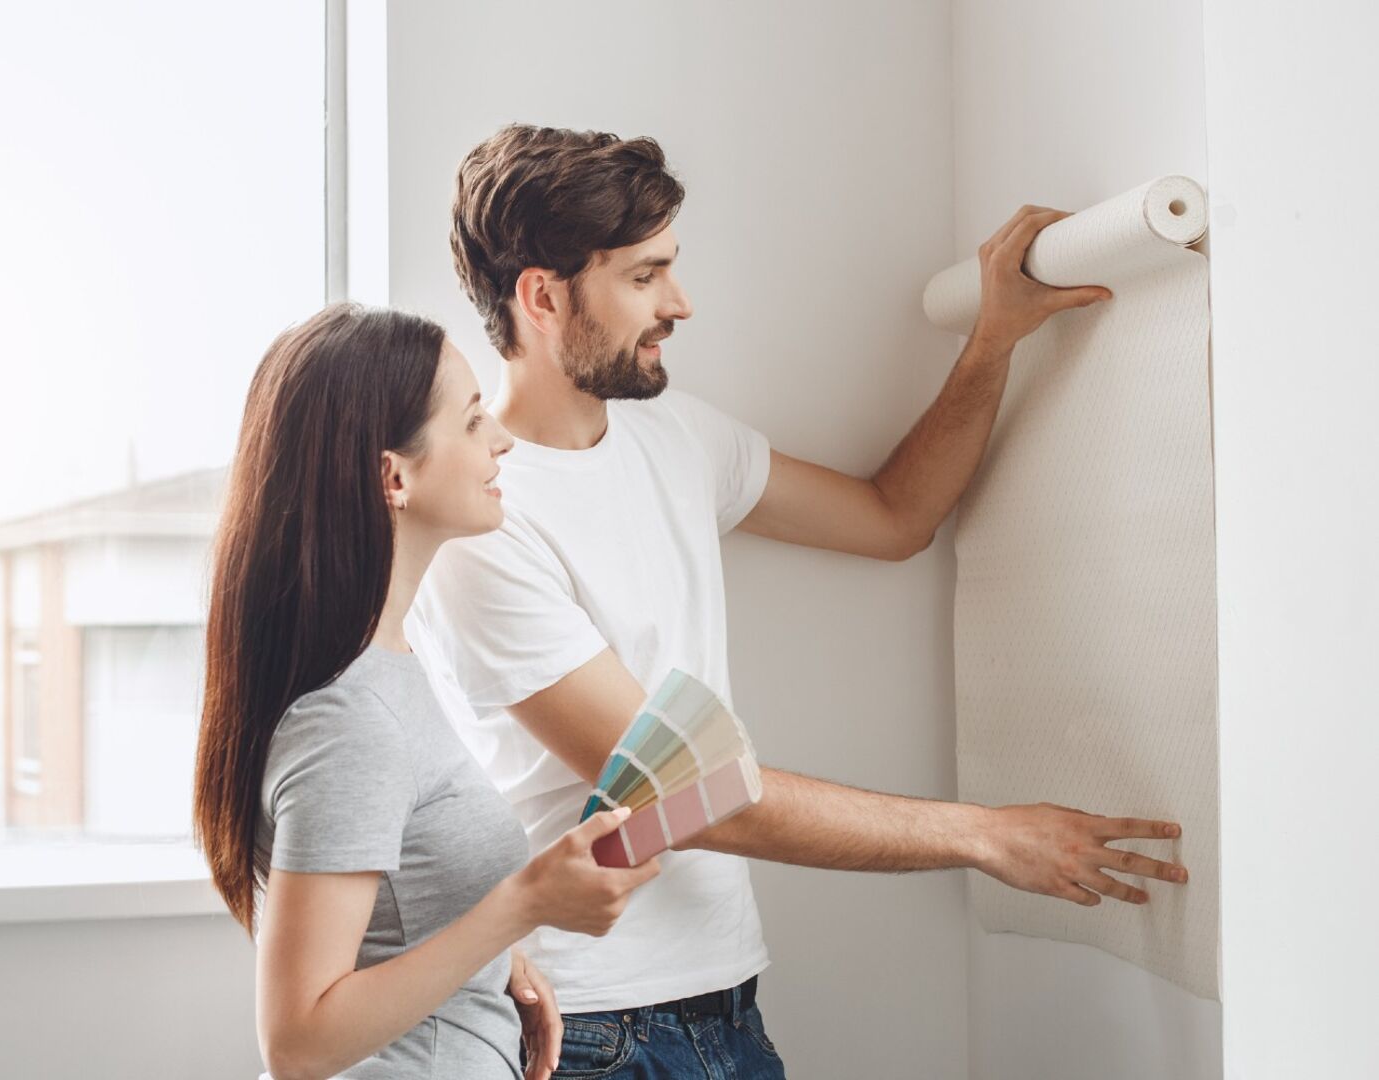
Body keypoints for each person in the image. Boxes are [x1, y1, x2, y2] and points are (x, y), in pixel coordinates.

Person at [413, 124, 1190, 1078]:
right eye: (645, 277)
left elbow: (894, 516)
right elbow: (688, 799)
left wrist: (994, 338)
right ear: (543, 295)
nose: (681, 303)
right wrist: (982, 834)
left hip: (723, 992)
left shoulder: (677, 439)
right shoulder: (485, 520)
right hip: (590, 1026)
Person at [193, 303, 659, 1080]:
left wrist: (497, 964)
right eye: (474, 421)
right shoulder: (350, 720)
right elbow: (298, 1043)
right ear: (395, 475)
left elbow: (393, 912)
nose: (501, 440)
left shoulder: (390, 667)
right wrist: (521, 906)